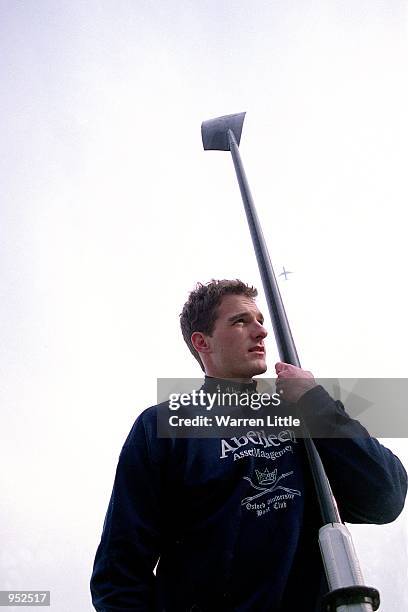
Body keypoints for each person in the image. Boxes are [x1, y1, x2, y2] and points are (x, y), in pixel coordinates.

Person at [90, 279, 407, 611]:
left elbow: (385, 498)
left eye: (260, 322)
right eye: (240, 321)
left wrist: (316, 403)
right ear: (203, 342)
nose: (261, 332)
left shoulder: (305, 415)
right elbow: (119, 572)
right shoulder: (162, 426)